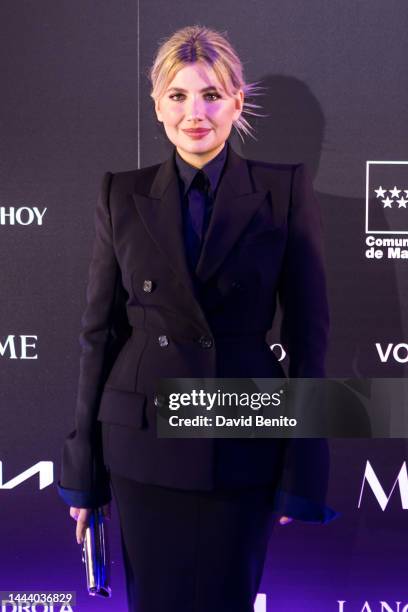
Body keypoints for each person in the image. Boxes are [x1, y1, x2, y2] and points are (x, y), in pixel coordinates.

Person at [57, 24, 337, 612]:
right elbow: (98, 335)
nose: (195, 113)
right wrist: (83, 470)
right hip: (142, 445)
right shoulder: (120, 194)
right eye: (178, 96)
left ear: (237, 101)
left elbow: (308, 338)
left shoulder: (283, 189)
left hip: (241, 438)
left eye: (210, 95)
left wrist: (303, 467)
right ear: (157, 104)